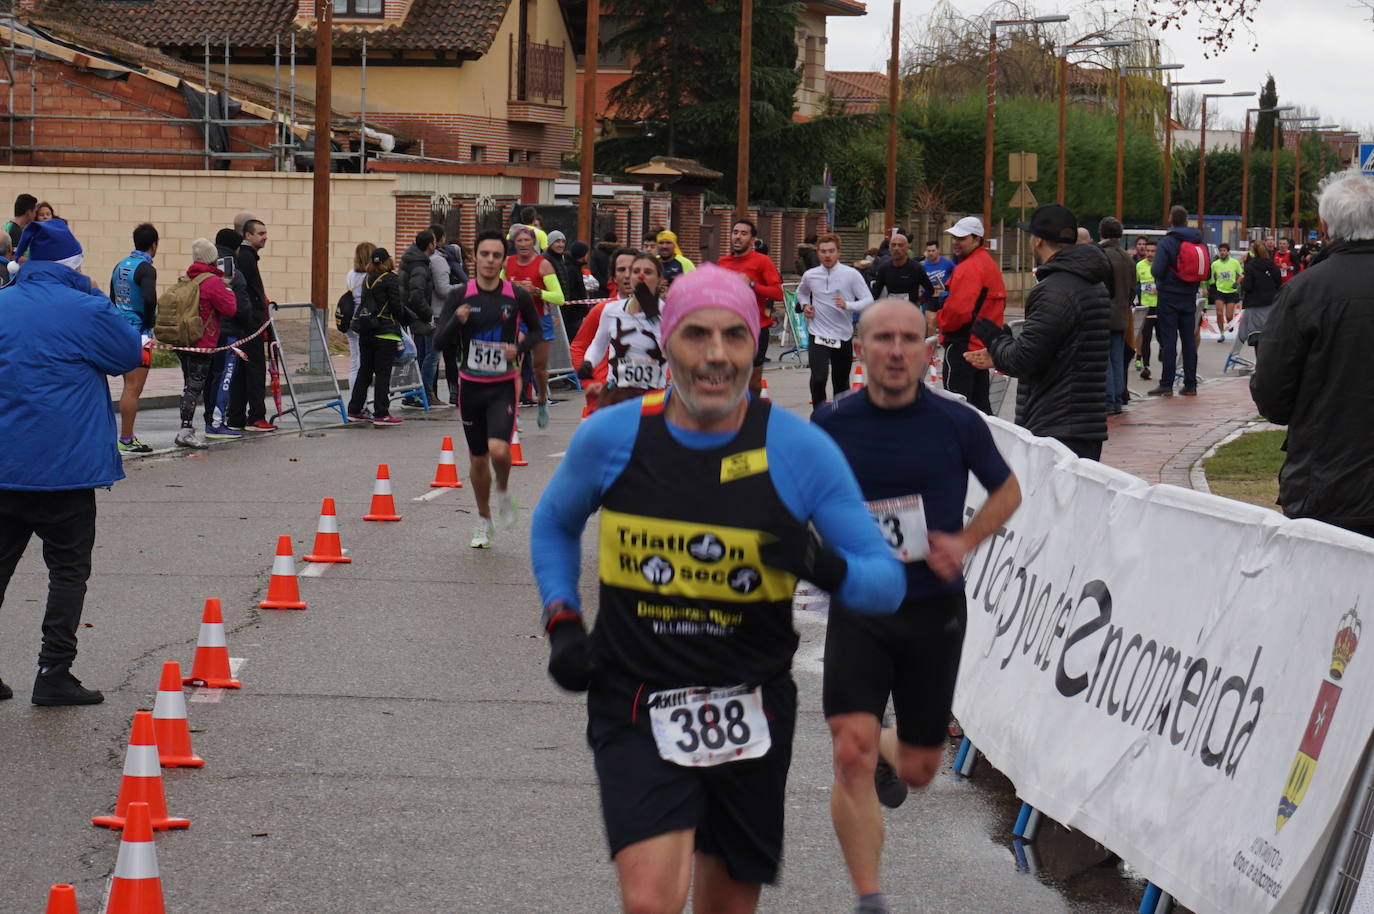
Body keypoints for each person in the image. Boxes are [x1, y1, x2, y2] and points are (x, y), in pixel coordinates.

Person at [529, 263, 905, 914]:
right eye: (696, 334)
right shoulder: (614, 437)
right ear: (667, 340)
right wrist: (563, 620)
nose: (715, 355)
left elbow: (884, 583)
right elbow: (554, 523)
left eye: (734, 336)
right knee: (650, 900)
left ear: (754, 346)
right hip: (636, 695)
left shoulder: (796, 450)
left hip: (751, 706)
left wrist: (824, 566)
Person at [816, 300, 1022, 914]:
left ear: (929, 350)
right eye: (884, 338)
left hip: (933, 611)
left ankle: (890, 747)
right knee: (847, 750)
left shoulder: (957, 423)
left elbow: (1007, 489)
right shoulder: (830, 423)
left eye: (911, 338)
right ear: (860, 349)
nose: (898, 350)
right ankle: (869, 896)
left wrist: (963, 541)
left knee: (920, 768)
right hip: (859, 608)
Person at [0, 218, 142, 706]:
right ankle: (52, 672)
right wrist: (97, 299)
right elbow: (126, 355)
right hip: (65, 468)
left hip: (4, 466)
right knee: (66, 571)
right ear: (74, 265)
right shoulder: (85, 307)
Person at [1252, 170, 1374, 536]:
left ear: (1323, 225)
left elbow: (1272, 396)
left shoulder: (1305, 292)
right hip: (1328, 481)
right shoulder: (1306, 291)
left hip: (1326, 484)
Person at [965, 203, 1110, 459]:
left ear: (1038, 241)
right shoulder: (1092, 283)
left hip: (1055, 424)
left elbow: (1024, 360)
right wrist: (999, 352)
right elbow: (1056, 348)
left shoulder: (1054, 289)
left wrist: (997, 340)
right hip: (1084, 422)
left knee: (1048, 500)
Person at [433, 231, 542, 549]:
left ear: (502, 260)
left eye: (497, 255)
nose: (491, 261)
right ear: (476, 258)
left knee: (499, 450)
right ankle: (483, 519)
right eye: (485, 255)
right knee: (479, 460)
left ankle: (504, 491)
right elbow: (439, 341)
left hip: (503, 386)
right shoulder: (459, 295)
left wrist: (519, 345)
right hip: (471, 388)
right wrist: (457, 320)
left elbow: (536, 331)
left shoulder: (516, 295)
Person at [171, 239, 239, 450]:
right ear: (212, 259)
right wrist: (228, 288)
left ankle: (186, 428)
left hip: (183, 340)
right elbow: (230, 309)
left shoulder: (188, 278)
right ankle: (185, 431)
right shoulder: (212, 282)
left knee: (188, 385)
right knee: (195, 386)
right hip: (202, 341)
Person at [935, 216, 1006, 415]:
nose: (956, 242)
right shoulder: (988, 264)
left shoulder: (968, 268)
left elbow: (958, 311)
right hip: (979, 345)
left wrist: (941, 322)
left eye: (961, 238)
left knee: (957, 409)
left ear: (976, 239)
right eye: (955, 238)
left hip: (962, 345)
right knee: (981, 409)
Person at [578, 253, 666, 407]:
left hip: (654, 396)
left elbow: (671, 353)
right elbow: (599, 345)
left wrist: (653, 317)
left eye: (648, 272)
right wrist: (589, 362)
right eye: (636, 271)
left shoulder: (669, 312)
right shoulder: (611, 310)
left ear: (659, 280)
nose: (641, 276)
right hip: (617, 395)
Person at [798, 232, 874, 409]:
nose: (827, 255)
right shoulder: (810, 275)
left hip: (842, 335)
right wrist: (804, 305)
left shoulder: (851, 274)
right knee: (818, 378)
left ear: (838, 252)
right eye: (823, 251)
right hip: (818, 334)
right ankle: (819, 414)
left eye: (831, 251)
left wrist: (847, 305)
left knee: (840, 384)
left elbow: (868, 300)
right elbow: (802, 292)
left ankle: (839, 419)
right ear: (817, 253)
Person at [717, 218, 784, 396]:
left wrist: (752, 284)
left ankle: (751, 416)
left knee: (753, 383)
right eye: (735, 232)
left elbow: (778, 293)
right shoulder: (722, 263)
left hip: (756, 327)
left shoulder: (762, 262)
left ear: (752, 240)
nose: (738, 237)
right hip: (728, 328)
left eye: (744, 234)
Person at [505, 224, 563, 428]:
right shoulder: (508, 263)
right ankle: (514, 413)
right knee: (516, 366)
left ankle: (542, 401)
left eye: (527, 240)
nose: (523, 244)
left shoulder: (543, 265)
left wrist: (537, 291)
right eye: (519, 241)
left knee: (539, 369)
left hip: (540, 320)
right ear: (514, 243)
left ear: (533, 243)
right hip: (517, 320)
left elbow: (560, 298)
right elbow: (498, 288)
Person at [109, 223, 160, 453]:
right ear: (154, 245)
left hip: (119, 330)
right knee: (134, 388)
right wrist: (149, 323)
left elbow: (112, 298)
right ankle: (127, 439)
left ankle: (126, 436)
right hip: (139, 333)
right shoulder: (147, 269)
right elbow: (150, 299)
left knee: (127, 386)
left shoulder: (120, 265)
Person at [570, 248, 636, 417]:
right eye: (621, 270)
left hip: (642, 397)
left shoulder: (657, 313)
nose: (628, 275)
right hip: (604, 396)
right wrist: (589, 382)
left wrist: (664, 377)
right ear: (613, 277)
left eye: (633, 269)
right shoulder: (602, 310)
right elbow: (578, 348)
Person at [346, 248, 406, 428]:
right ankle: (381, 413)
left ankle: (355, 409)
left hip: (366, 331)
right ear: (388, 261)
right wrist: (405, 319)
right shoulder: (390, 279)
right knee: (382, 374)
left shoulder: (367, 278)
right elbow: (396, 306)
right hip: (385, 332)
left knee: (365, 370)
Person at [202, 227, 253, 439]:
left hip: (207, 333)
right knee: (224, 377)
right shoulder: (235, 275)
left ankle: (209, 419)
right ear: (237, 248)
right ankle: (216, 422)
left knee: (209, 378)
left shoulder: (206, 269)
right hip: (230, 333)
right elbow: (242, 309)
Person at [1149, 205, 1205, 397]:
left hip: (1169, 296)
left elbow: (1156, 270)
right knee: (1189, 340)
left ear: (1171, 220)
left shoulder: (1167, 241)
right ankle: (1190, 384)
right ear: (1187, 220)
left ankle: (1166, 383)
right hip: (1189, 295)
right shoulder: (1198, 239)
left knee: (1169, 340)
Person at [236, 219, 277, 429]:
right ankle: (256, 416)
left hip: (250, 322)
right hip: (250, 325)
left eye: (265, 232)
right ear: (247, 236)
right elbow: (249, 291)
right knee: (254, 370)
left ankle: (238, 416)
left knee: (244, 371)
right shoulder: (245, 258)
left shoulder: (247, 257)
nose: (265, 236)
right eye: (260, 233)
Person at [1098, 217, 1135, 416]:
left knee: (1105, 359)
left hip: (1104, 314)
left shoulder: (1101, 254)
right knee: (1117, 358)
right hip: (1122, 314)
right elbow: (1132, 290)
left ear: (1101, 233)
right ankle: (1118, 398)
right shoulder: (1127, 257)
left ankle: (1109, 399)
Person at [398, 230, 439, 409]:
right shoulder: (419, 266)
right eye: (435, 242)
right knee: (432, 354)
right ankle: (424, 394)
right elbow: (416, 295)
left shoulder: (412, 260)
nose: (436, 245)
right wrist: (429, 314)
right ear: (430, 245)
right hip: (417, 316)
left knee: (419, 355)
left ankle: (414, 394)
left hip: (410, 315)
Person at [1237, 239, 1282, 351]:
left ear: (1253, 251)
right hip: (1271, 303)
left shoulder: (1250, 266)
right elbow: (1278, 283)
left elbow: (1248, 286)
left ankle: (1260, 363)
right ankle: (1269, 362)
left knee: (1257, 335)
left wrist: (1242, 283)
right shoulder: (1273, 266)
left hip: (1255, 304)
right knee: (1269, 334)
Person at [343, 241, 375, 392]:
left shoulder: (351, 274)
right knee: (365, 365)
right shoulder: (370, 277)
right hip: (364, 322)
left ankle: (354, 399)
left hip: (351, 321)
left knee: (355, 363)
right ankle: (360, 401)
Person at [869, 233, 933, 306]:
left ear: (907, 248)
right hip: (891, 309)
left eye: (900, 245)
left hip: (910, 311)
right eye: (893, 245)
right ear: (889, 248)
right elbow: (876, 293)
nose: (896, 248)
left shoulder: (916, 268)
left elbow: (930, 290)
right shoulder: (884, 268)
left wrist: (919, 301)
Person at [1208, 242, 1241, 343]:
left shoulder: (1234, 262)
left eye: (1224, 251)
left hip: (1231, 291)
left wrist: (1237, 283)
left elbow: (1241, 275)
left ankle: (1230, 324)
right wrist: (1211, 286)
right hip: (1219, 291)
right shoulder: (1215, 264)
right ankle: (1221, 334)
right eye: (1220, 251)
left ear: (1228, 252)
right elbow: (1211, 278)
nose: (1222, 252)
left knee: (1229, 316)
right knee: (1219, 313)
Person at [1135, 241, 1159, 381]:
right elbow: (1136, 284)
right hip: (1146, 306)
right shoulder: (1139, 265)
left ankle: (1163, 353)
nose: (1150, 253)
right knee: (1146, 337)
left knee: (1163, 337)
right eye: (1148, 251)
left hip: (1161, 306)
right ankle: (1147, 367)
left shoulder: (1162, 265)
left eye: (1153, 251)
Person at [919, 240, 955, 319]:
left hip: (944, 297)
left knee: (944, 323)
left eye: (933, 251)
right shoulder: (923, 266)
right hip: (929, 298)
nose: (931, 253)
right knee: (930, 324)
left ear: (938, 250)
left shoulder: (948, 263)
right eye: (929, 251)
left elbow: (957, 275)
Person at [590, 231, 618, 298]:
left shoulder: (596, 253)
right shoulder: (619, 253)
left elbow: (594, 271)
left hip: (600, 289)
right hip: (615, 288)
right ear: (616, 240)